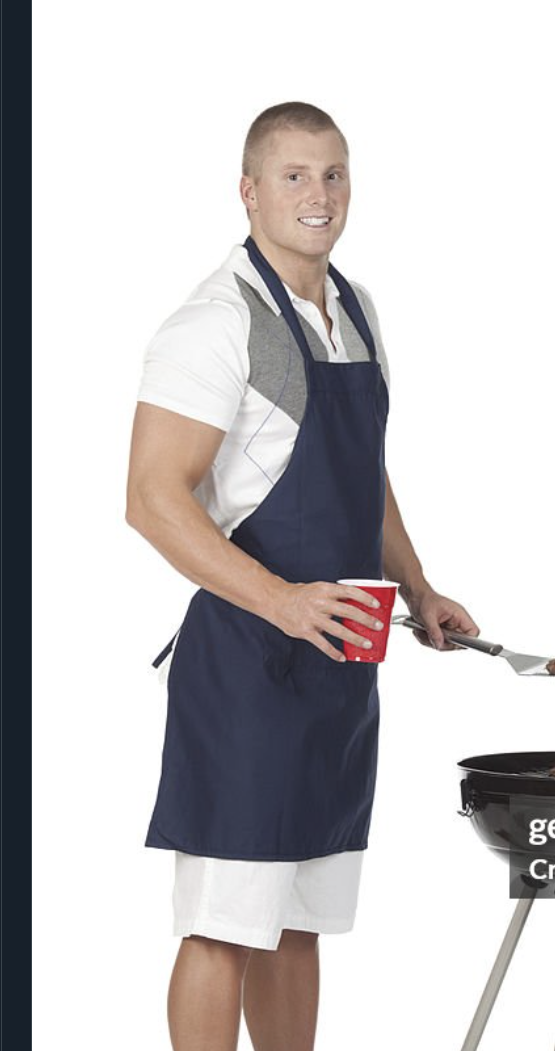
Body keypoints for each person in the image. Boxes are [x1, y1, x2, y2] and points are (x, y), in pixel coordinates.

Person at [127, 102, 478, 1051]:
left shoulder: (356, 309)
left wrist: (417, 585)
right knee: (222, 924)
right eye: (293, 176)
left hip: (339, 666)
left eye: (333, 175)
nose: (317, 197)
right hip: (245, 669)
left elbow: (364, 473)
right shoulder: (214, 323)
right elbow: (154, 499)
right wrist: (281, 602)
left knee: (296, 921)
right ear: (248, 191)